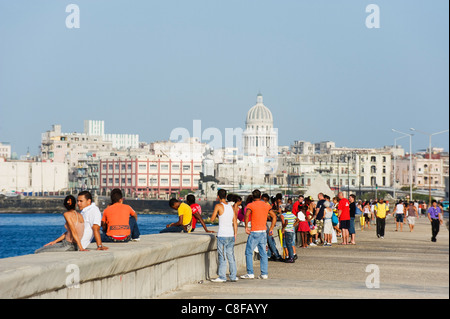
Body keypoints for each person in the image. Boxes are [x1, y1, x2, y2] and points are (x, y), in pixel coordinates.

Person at [240, 189, 277, 280]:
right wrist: (271, 228)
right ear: (260, 196)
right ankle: (264, 274)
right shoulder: (266, 205)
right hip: (263, 232)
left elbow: (247, 215)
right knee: (263, 253)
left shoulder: (250, 205)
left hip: (254, 232)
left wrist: (246, 227)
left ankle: (250, 273)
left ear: (253, 197)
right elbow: (274, 216)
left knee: (248, 252)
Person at [210, 189, 238, 282]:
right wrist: (235, 234)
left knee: (222, 256)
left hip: (222, 235)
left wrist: (218, 215)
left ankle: (222, 277)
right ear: (226, 196)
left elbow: (212, 219)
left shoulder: (218, 206)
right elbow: (234, 222)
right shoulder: (231, 207)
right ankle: (233, 276)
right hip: (230, 235)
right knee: (231, 256)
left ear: (218, 196)